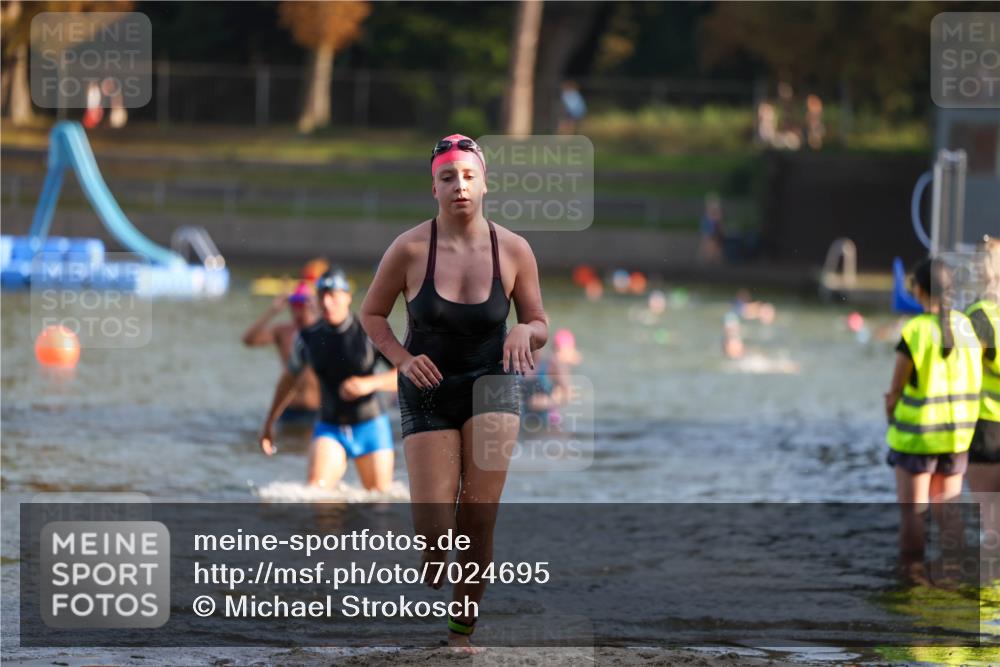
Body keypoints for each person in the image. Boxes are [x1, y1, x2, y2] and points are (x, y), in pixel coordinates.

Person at [360, 134, 548, 651]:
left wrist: (522, 332)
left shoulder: (512, 249)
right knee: (436, 531)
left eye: (468, 176)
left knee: (479, 517)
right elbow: (371, 314)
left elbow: (538, 322)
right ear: (434, 188)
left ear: (484, 183)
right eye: (448, 178)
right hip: (428, 388)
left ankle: (460, 633)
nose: (459, 186)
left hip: (493, 386)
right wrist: (401, 357)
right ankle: (431, 548)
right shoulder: (410, 248)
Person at [884, 258, 982, 582]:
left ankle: (912, 578)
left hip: (917, 437)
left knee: (914, 513)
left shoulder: (914, 331)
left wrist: (890, 412)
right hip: (957, 438)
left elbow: (896, 388)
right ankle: (954, 576)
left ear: (918, 289)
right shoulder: (968, 328)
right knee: (948, 512)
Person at [259, 269, 398, 491]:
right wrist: (269, 423)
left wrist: (369, 384)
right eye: (322, 295)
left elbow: (404, 374)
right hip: (330, 427)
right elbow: (288, 381)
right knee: (316, 494)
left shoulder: (370, 333)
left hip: (371, 426)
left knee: (378, 503)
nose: (327, 302)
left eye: (333, 295)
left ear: (347, 296)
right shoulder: (307, 338)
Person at [242, 281, 321, 426]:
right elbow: (248, 340)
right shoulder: (283, 331)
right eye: (293, 305)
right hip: (288, 410)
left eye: (301, 304)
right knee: (285, 446)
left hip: (317, 410)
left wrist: (318, 308)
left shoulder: (323, 332)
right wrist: (273, 310)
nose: (297, 310)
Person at [965, 238, 1000, 552]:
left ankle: (991, 599)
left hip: (987, 430)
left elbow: (963, 374)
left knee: (992, 528)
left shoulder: (979, 316)